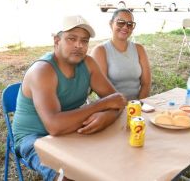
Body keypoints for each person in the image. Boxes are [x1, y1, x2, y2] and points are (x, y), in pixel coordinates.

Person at [12, 15, 127, 181]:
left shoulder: (88, 63)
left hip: (71, 128)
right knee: (68, 176)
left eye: (84, 41)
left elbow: (118, 101)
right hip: (34, 137)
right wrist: (101, 105)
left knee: (114, 156)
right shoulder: (42, 71)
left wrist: (107, 115)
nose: (79, 45)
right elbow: (55, 127)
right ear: (57, 40)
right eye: (71, 39)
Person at [91, 9, 151, 100]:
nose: (125, 27)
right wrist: (123, 106)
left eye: (130, 24)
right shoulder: (100, 51)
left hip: (137, 106)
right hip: (110, 107)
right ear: (111, 24)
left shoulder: (139, 49)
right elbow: (102, 88)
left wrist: (138, 105)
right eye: (120, 22)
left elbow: (146, 83)